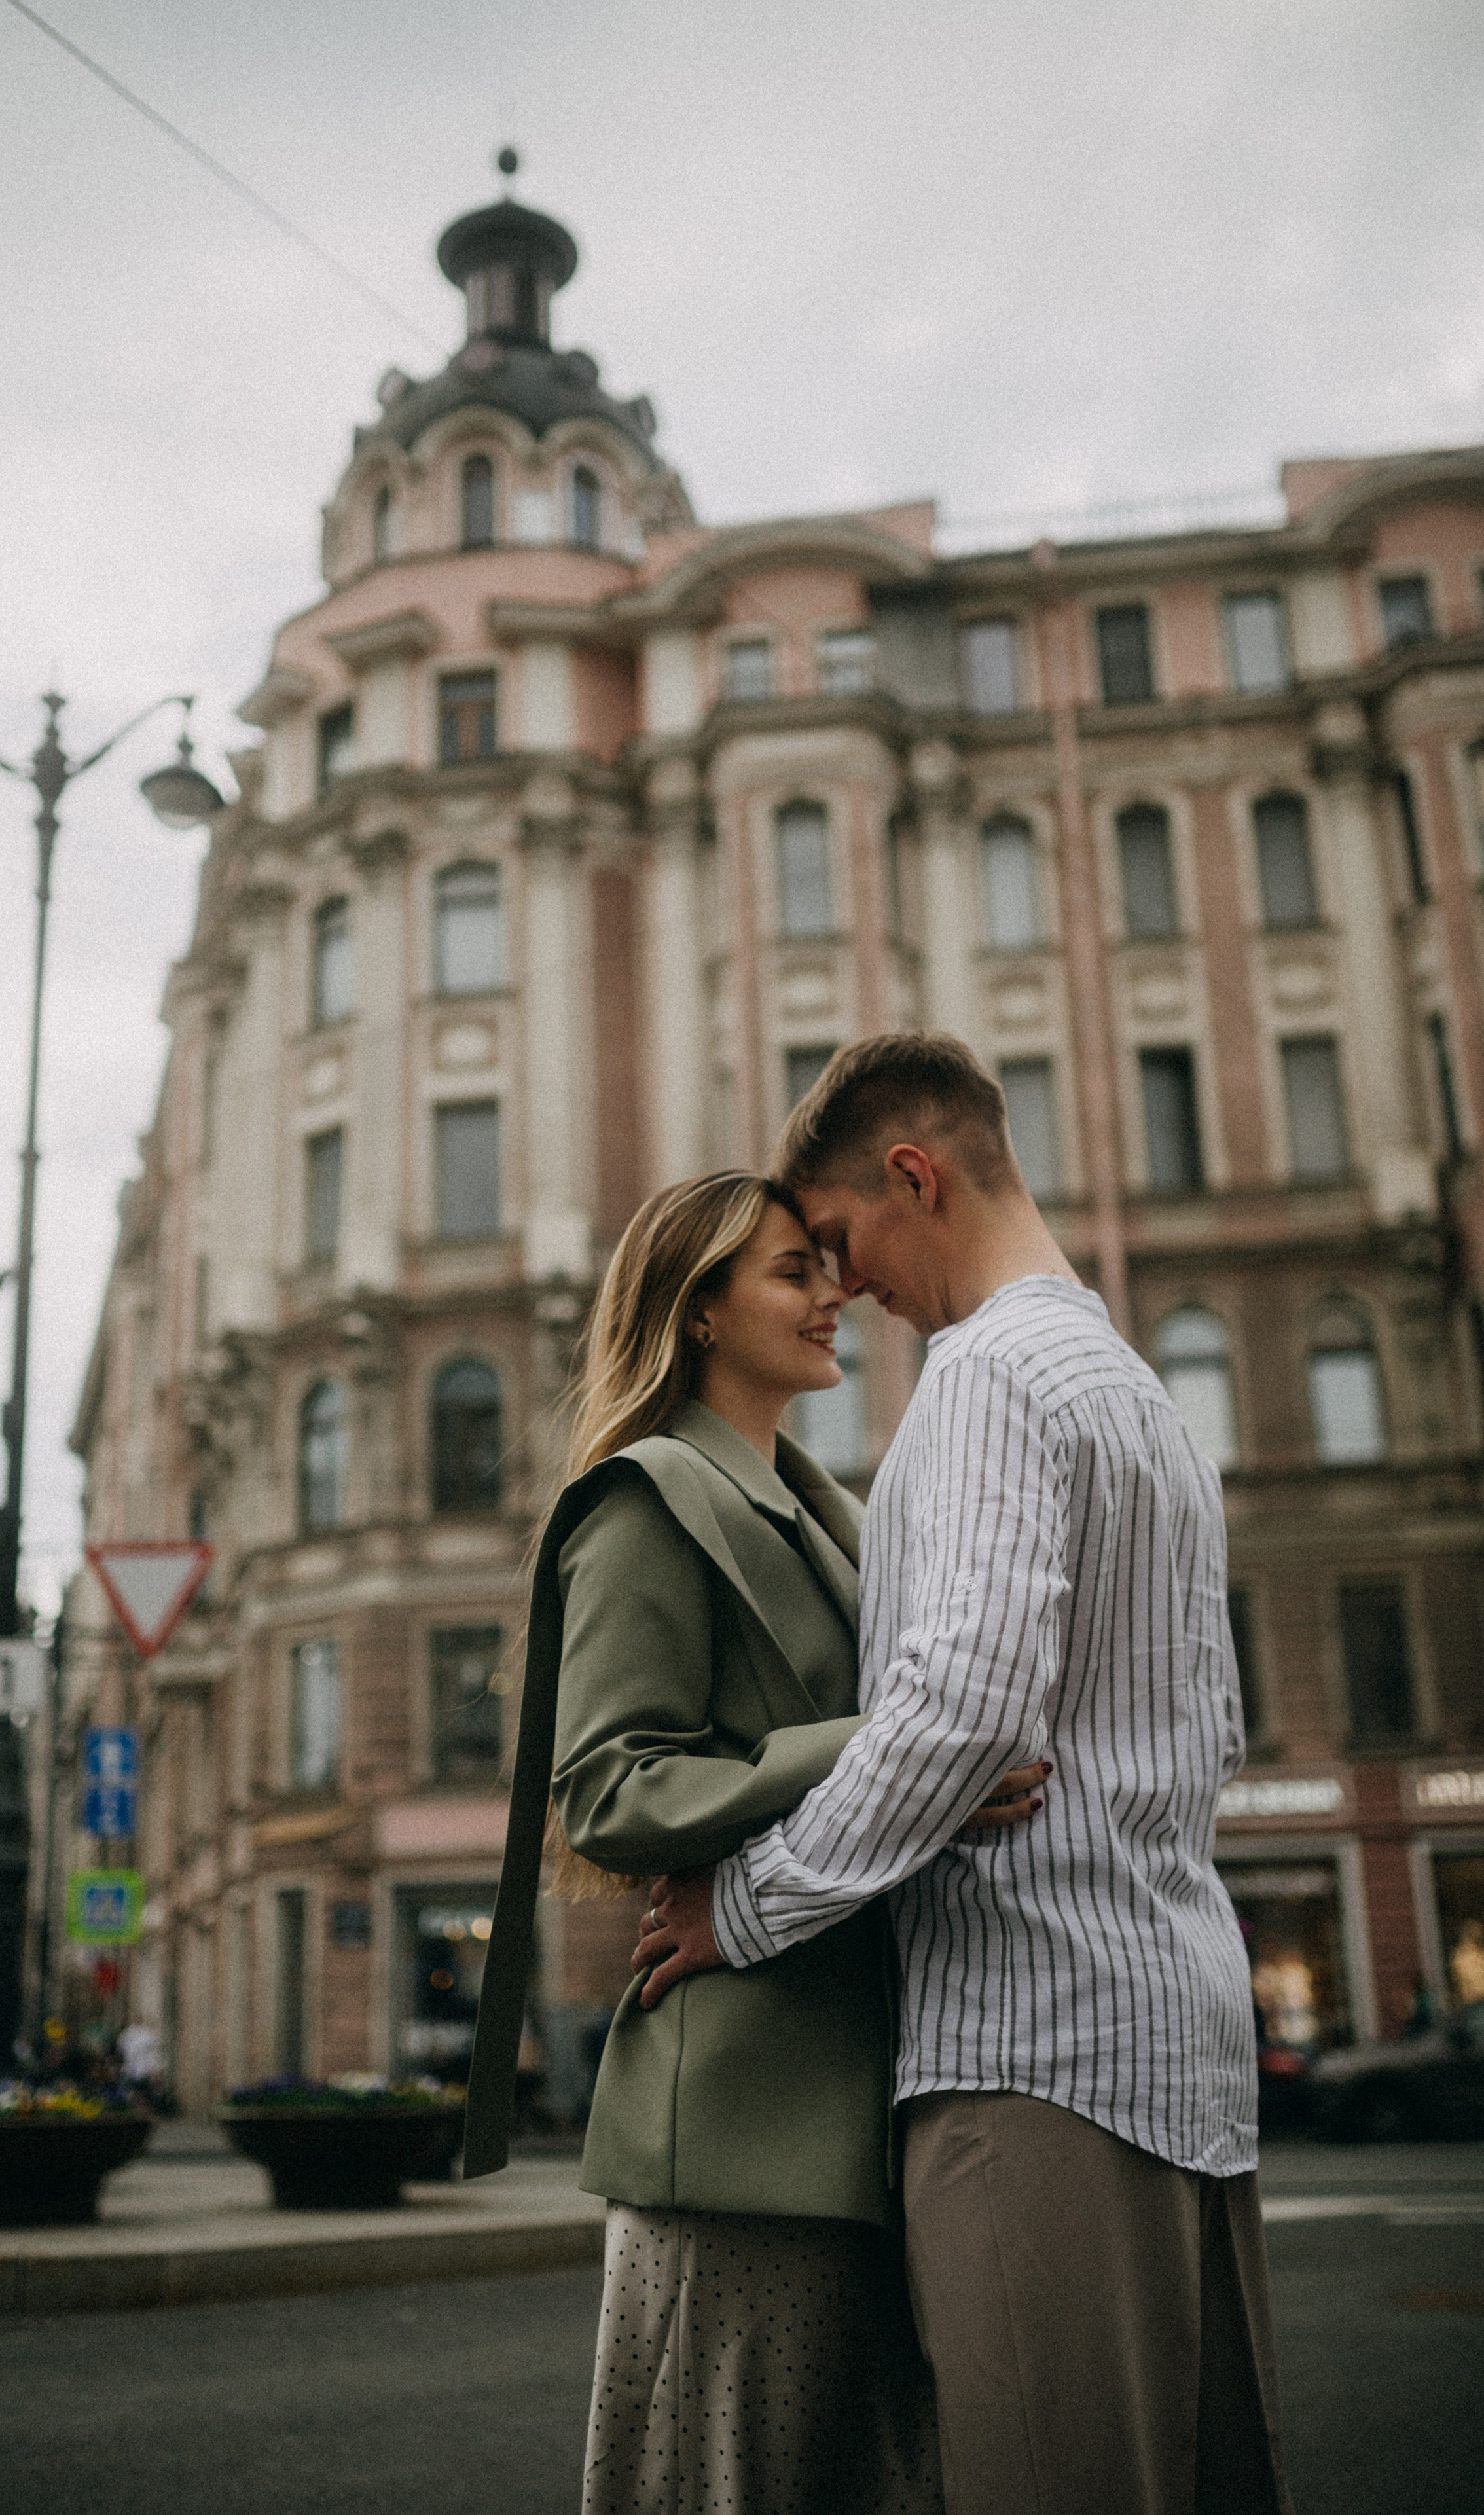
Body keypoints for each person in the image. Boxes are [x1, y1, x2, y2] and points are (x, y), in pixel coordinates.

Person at [636, 1034, 1294, 2515]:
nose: (844, 1281)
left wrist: (741, 1904)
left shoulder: (985, 1375)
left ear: (913, 1176)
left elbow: (956, 1712)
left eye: (844, 1237)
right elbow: (1205, 1724)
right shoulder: (1135, 1392)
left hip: (1030, 2052)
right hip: (1178, 2044)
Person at [464, 1169, 1045, 2515]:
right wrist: (900, 1747)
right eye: (791, 1270)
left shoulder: (821, 1505)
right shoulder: (643, 1498)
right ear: (701, 1310)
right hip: (736, 2133)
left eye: (824, 1267)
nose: (832, 1292)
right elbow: (606, 1787)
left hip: (859, 2114)